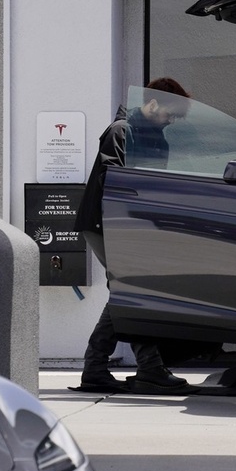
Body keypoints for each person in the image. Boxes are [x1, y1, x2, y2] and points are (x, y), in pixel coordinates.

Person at [74, 77, 192, 394]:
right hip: (105, 225)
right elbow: (113, 182)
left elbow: (156, 189)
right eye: (169, 113)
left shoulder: (158, 141)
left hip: (131, 228)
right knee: (129, 289)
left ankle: (98, 369)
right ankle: (146, 367)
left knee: (126, 291)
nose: (170, 121)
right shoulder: (121, 132)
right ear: (152, 103)